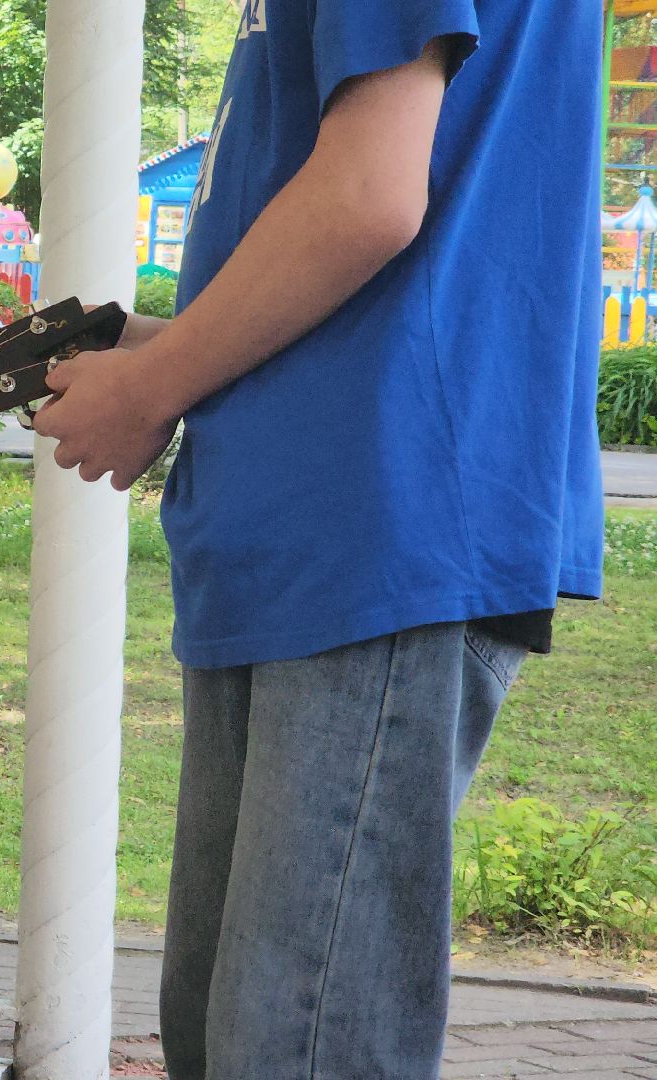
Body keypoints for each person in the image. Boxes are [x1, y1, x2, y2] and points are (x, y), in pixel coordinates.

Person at [31, 4, 604, 1078]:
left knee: (291, 1044)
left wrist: (151, 383)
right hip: (328, 511)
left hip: (376, 518)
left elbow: (369, 195)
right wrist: (155, 356)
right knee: (234, 1035)